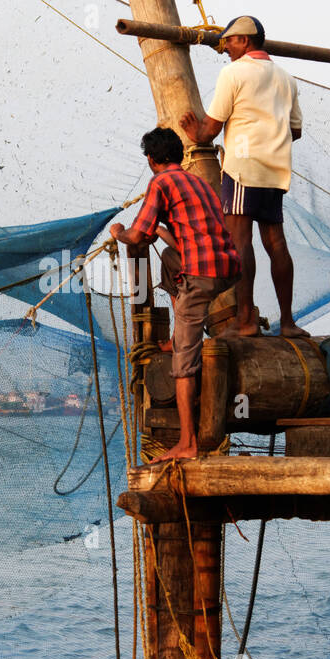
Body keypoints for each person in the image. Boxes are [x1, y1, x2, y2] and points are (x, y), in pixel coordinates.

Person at [110, 127, 240, 463]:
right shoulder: (197, 182)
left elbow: (138, 234)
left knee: (183, 366)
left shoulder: (160, 183)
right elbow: (182, 242)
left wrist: (120, 233)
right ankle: (180, 333)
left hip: (201, 276)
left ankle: (187, 443)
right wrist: (161, 230)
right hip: (227, 268)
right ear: (179, 155)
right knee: (170, 259)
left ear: (152, 159)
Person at [178, 15, 306, 338]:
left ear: (245, 41)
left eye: (230, 41)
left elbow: (210, 128)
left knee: (239, 241)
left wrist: (195, 132)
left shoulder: (233, 74)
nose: (227, 49)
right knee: (275, 242)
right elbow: (296, 130)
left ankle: (246, 320)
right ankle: (288, 322)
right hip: (275, 169)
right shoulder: (286, 79)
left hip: (243, 169)